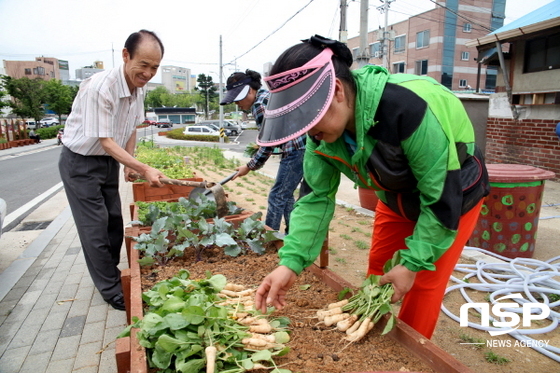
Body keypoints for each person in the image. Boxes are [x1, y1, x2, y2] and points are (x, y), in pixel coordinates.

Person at [254, 35, 490, 339]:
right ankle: (366, 331)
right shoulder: (320, 137)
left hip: (454, 192)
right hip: (396, 194)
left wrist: (413, 264)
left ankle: (407, 360)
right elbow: (315, 199)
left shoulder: (407, 109)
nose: (308, 132)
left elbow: (441, 198)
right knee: (379, 270)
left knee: (421, 280)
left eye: (309, 120)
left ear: (336, 91)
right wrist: (291, 263)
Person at [58, 30, 167, 311]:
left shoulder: (138, 89)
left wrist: (128, 162)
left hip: (107, 161)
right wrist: (143, 168)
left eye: (154, 67)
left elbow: (131, 127)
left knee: (114, 224)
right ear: (125, 55)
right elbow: (105, 140)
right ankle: (110, 289)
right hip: (80, 163)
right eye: (143, 64)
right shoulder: (100, 88)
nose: (148, 73)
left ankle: (112, 273)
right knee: (94, 228)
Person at [220, 70, 306, 234]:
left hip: (295, 150)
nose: (237, 104)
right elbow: (274, 135)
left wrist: (249, 166)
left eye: (238, 98)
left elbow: (268, 143)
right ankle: (293, 234)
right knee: (285, 195)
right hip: (300, 147)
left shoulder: (259, 105)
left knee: (276, 196)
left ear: (250, 90)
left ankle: (268, 236)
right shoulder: (268, 96)